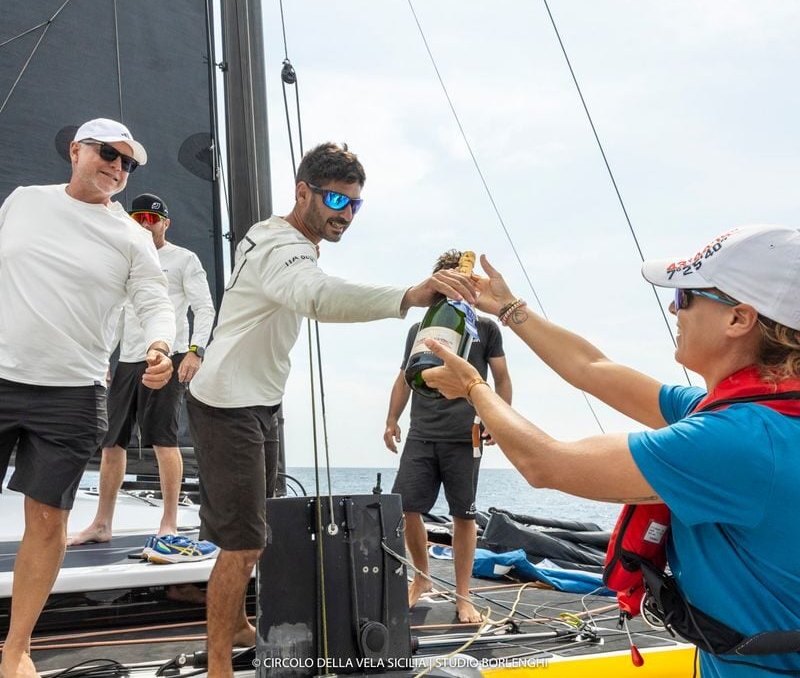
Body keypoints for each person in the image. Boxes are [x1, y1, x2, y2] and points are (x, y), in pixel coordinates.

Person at [422, 226, 800, 677]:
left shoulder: (737, 441)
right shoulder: (760, 415)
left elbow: (546, 464)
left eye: (685, 297)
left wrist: (472, 387)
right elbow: (592, 368)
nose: (673, 308)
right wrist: (508, 307)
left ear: (738, 319)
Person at [186, 142, 478, 677]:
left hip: (258, 402)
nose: (345, 213)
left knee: (256, 532)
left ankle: (236, 625)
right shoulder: (282, 247)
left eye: (354, 203)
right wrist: (409, 295)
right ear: (303, 192)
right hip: (229, 403)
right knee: (243, 543)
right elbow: (316, 297)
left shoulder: (277, 238)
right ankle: (219, 667)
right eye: (335, 200)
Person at [0, 118, 175, 678]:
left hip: (72, 393)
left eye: (128, 163)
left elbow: (155, 300)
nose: (118, 167)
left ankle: (16, 648)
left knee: (47, 520)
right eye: (108, 153)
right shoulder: (24, 201)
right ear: (76, 150)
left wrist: (160, 346)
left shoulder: (130, 236)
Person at [68, 193, 217, 563]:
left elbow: (204, 307)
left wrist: (196, 351)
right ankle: (102, 523)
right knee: (111, 442)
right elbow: (118, 314)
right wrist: (104, 357)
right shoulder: (127, 259)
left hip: (168, 355)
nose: (146, 224)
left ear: (166, 223)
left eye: (153, 218)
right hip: (127, 360)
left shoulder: (184, 259)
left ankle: (169, 523)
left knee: (163, 439)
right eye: (139, 218)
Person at [383, 249, 512, 624]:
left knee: (463, 515)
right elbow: (404, 377)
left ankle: (463, 596)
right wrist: (391, 419)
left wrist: (498, 420)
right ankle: (421, 579)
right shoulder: (420, 329)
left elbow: (502, 378)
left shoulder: (486, 329)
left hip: (465, 435)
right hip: (422, 434)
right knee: (407, 508)